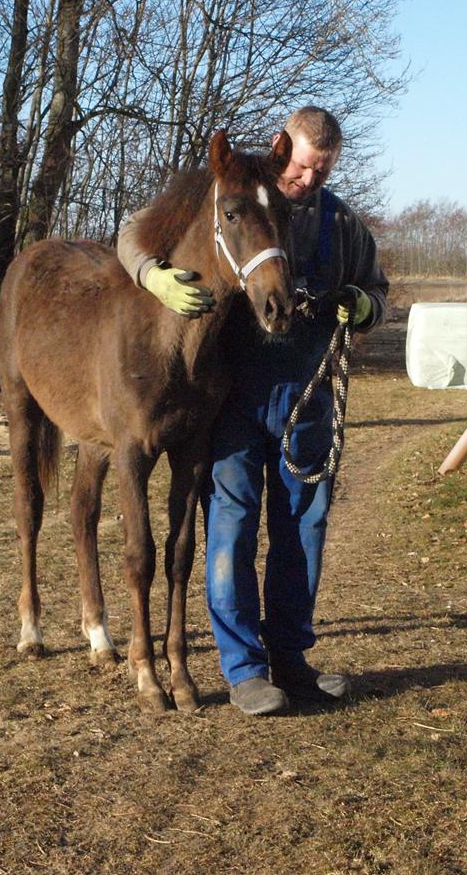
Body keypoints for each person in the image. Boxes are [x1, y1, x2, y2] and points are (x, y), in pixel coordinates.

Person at [117, 107, 388, 715]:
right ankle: (244, 671)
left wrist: (361, 307)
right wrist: (150, 274)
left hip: (307, 396)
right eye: (302, 164)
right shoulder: (239, 194)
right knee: (232, 526)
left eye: (322, 170)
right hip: (233, 392)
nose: (309, 180)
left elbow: (378, 290)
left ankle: (291, 660)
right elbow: (134, 229)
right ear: (279, 145)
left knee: (303, 530)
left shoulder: (341, 223)